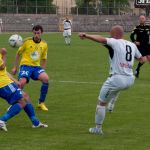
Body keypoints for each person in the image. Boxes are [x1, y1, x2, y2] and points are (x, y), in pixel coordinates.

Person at [79, 25, 145, 135]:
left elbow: (101, 39)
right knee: (116, 88)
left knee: (101, 103)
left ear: (114, 35)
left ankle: (98, 129)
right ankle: (113, 100)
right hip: (130, 80)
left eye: (110, 34)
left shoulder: (114, 42)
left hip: (117, 78)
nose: (109, 36)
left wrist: (86, 35)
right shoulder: (131, 45)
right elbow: (141, 59)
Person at [0, 48, 48, 132]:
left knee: (25, 96)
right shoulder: (2, 53)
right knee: (22, 102)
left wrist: (15, 80)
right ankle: (2, 120)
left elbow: (3, 71)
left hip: (6, 82)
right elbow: (2, 66)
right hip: (3, 84)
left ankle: (35, 122)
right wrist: (4, 55)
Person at [11, 25, 49, 111]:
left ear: (41, 33)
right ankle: (14, 103)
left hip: (36, 67)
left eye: (38, 33)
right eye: (35, 33)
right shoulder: (26, 41)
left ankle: (41, 103)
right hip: (25, 66)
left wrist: (42, 69)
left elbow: (44, 58)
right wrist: (14, 67)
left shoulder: (44, 44)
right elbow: (18, 54)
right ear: (33, 32)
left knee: (46, 78)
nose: (36, 35)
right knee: (21, 83)